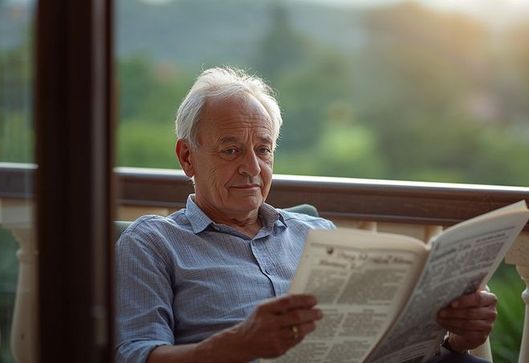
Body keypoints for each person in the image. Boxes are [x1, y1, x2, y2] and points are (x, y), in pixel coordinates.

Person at [115, 67, 497, 363]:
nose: (252, 167)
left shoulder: (318, 233)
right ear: (186, 157)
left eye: (263, 150)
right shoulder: (154, 242)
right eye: (231, 151)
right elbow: (134, 355)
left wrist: (457, 334)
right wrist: (234, 346)